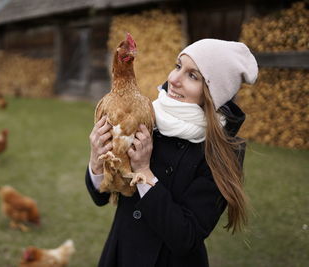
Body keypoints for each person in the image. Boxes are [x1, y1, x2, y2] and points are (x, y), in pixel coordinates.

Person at [86, 39, 258, 267]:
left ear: (214, 91)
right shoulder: (148, 116)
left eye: (193, 76)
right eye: (178, 66)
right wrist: (97, 160)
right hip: (122, 253)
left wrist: (145, 172)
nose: (173, 79)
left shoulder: (224, 154)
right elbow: (101, 196)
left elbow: (185, 237)